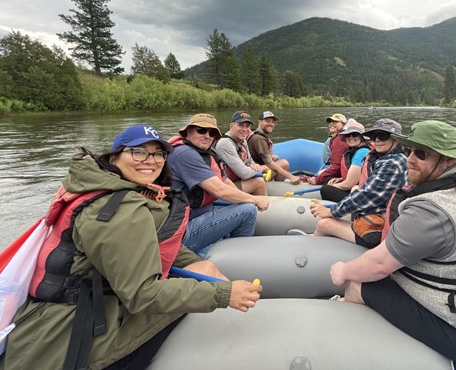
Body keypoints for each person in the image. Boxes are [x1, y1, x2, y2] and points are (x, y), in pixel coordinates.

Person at [0, 124, 262, 370]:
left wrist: (197, 266)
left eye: (158, 154)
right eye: (138, 152)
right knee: (198, 294)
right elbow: (143, 295)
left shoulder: (104, 190)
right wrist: (223, 294)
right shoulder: (117, 210)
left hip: (62, 313)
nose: (150, 161)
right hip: (73, 335)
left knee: (204, 269)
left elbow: (152, 245)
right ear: (114, 158)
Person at [329, 120, 456, 367]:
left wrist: (342, 271)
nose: (409, 159)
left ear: (449, 160)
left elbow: (378, 265)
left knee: (358, 282)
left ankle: (347, 338)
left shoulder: (433, 211)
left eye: (421, 154)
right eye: (408, 150)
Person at [166, 114, 268, 254]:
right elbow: (220, 190)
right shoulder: (184, 154)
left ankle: (226, 246)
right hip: (182, 231)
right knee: (248, 209)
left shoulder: (206, 153)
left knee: (240, 203)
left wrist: (243, 197)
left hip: (202, 214)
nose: (207, 136)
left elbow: (225, 182)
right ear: (188, 132)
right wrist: (255, 199)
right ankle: (241, 257)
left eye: (212, 133)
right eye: (201, 130)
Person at [303, 119, 407, 248]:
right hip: (376, 214)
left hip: (380, 229)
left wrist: (332, 211)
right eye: (374, 136)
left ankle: (310, 247)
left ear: (395, 138)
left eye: (383, 135)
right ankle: (321, 238)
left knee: (324, 223)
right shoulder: (385, 157)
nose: (377, 140)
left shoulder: (392, 164)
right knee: (354, 189)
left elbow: (367, 195)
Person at [214, 111, 269, 195]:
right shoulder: (225, 143)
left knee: (259, 178)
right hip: (224, 187)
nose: (244, 129)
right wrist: (263, 167)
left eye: (247, 126)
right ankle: (265, 206)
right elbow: (244, 174)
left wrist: (255, 167)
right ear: (231, 126)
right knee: (258, 182)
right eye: (240, 125)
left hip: (237, 180)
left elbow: (250, 163)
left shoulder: (243, 141)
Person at [320, 120, 371, 203]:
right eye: (348, 135)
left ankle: (337, 211)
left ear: (362, 137)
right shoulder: (353, 150)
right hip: (355, 185)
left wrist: (334, 186)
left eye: (355, 134)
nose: (351, 137)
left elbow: (349, 184)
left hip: (360, 192)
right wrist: (340, 179)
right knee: (328, 180)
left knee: (326, 189)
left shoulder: (362, 152)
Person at [247, 111, 300, 184]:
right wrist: (291, 176)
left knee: (280, 162)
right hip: (256, 174)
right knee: (284, 163)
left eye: (273, 122)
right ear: (260, 122)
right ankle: (277, 186)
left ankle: (276, 184)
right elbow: (269, 163)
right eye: (267, 121)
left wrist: (271, 156)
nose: (271, 124)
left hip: (257, 169)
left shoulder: (257, 134)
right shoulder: (259, 139)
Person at [305, 113, 347, 185]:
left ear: (343, 124)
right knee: (321, 173)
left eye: (335, 122)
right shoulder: (337, 137)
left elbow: (337, 167)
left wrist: (317, 179)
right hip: (338, 169)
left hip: (341, 172)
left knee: (323, 176)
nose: (331, 124)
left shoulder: (340, 140)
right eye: (330, 122)